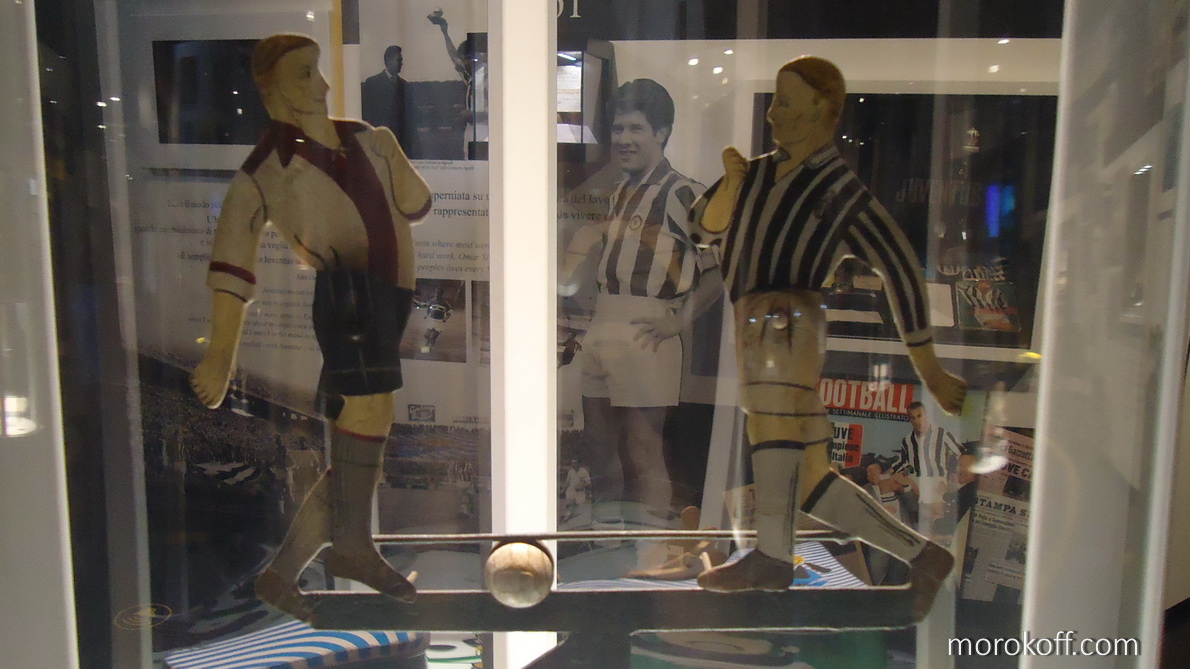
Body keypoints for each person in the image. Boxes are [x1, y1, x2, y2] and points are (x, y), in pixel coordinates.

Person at [690, 56, 966, 620]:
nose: (773, 113)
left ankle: (772, 557)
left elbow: (900, 268)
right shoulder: (755, 173)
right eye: (774, 100)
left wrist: (930, 368)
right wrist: (732, 185)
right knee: (812, 476)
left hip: (783, 319)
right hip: (759, 319)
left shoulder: (841, 191)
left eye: (786, 102)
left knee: (771, 430)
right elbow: (702, 228)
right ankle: (924, 556)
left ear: (822, 109)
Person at [190, 34, 432, 621]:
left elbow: (418, 203)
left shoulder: (365, 138)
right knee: (368, 421)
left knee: (362, 436)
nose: (323, 86)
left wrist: (391, 151)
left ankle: (288, 571)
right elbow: (232, 263)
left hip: (388, 300)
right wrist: (221, 352)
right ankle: (350, 550)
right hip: (350, 298)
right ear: (269, 87)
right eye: (304, 74)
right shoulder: (264, 172)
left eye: (318, 71)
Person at [559, 79, 719, 520]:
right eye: (618, 129)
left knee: (643, 444)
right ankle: (607, 536)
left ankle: (653, 544)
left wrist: (677, 321)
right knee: (597, 443)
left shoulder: (684, 192)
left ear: (662, 132)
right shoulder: (620, 191)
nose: (624, 139)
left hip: (647, 325)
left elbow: (718, 270)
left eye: (636, 129)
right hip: (605, 320)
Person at [890, 401, 965, 539]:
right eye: (912, 417)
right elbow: (903, 462)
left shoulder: (942, 434)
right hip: (917, 481)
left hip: (937, 480)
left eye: (919, 416)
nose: (917, 420)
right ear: (909, 419)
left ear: (926, 415)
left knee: (937, 517)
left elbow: (960, 454)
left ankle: (938, 539)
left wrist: (951, 477)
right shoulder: (908, 440)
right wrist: (892, 472)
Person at [360, 45, 420, 157]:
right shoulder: (372, 83)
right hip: (379, 141)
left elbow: (410, 114)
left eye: (401, 60)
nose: (401, 63)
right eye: (399, 60)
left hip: (400, 143)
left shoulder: (404, 86)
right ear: (388, 60)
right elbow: (366, 112)